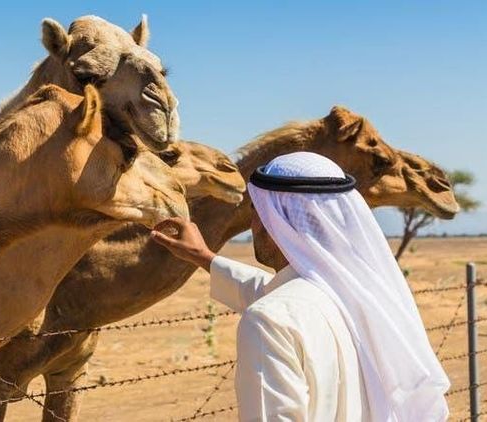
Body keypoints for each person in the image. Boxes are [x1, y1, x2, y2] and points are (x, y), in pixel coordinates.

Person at [151, 152, 450, 421]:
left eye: (258, 211)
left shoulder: (270, 320)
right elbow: (278, 295)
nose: (255, 222)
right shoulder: (364, 298)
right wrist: (204, 257)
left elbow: (279, 308)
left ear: (277, 220)